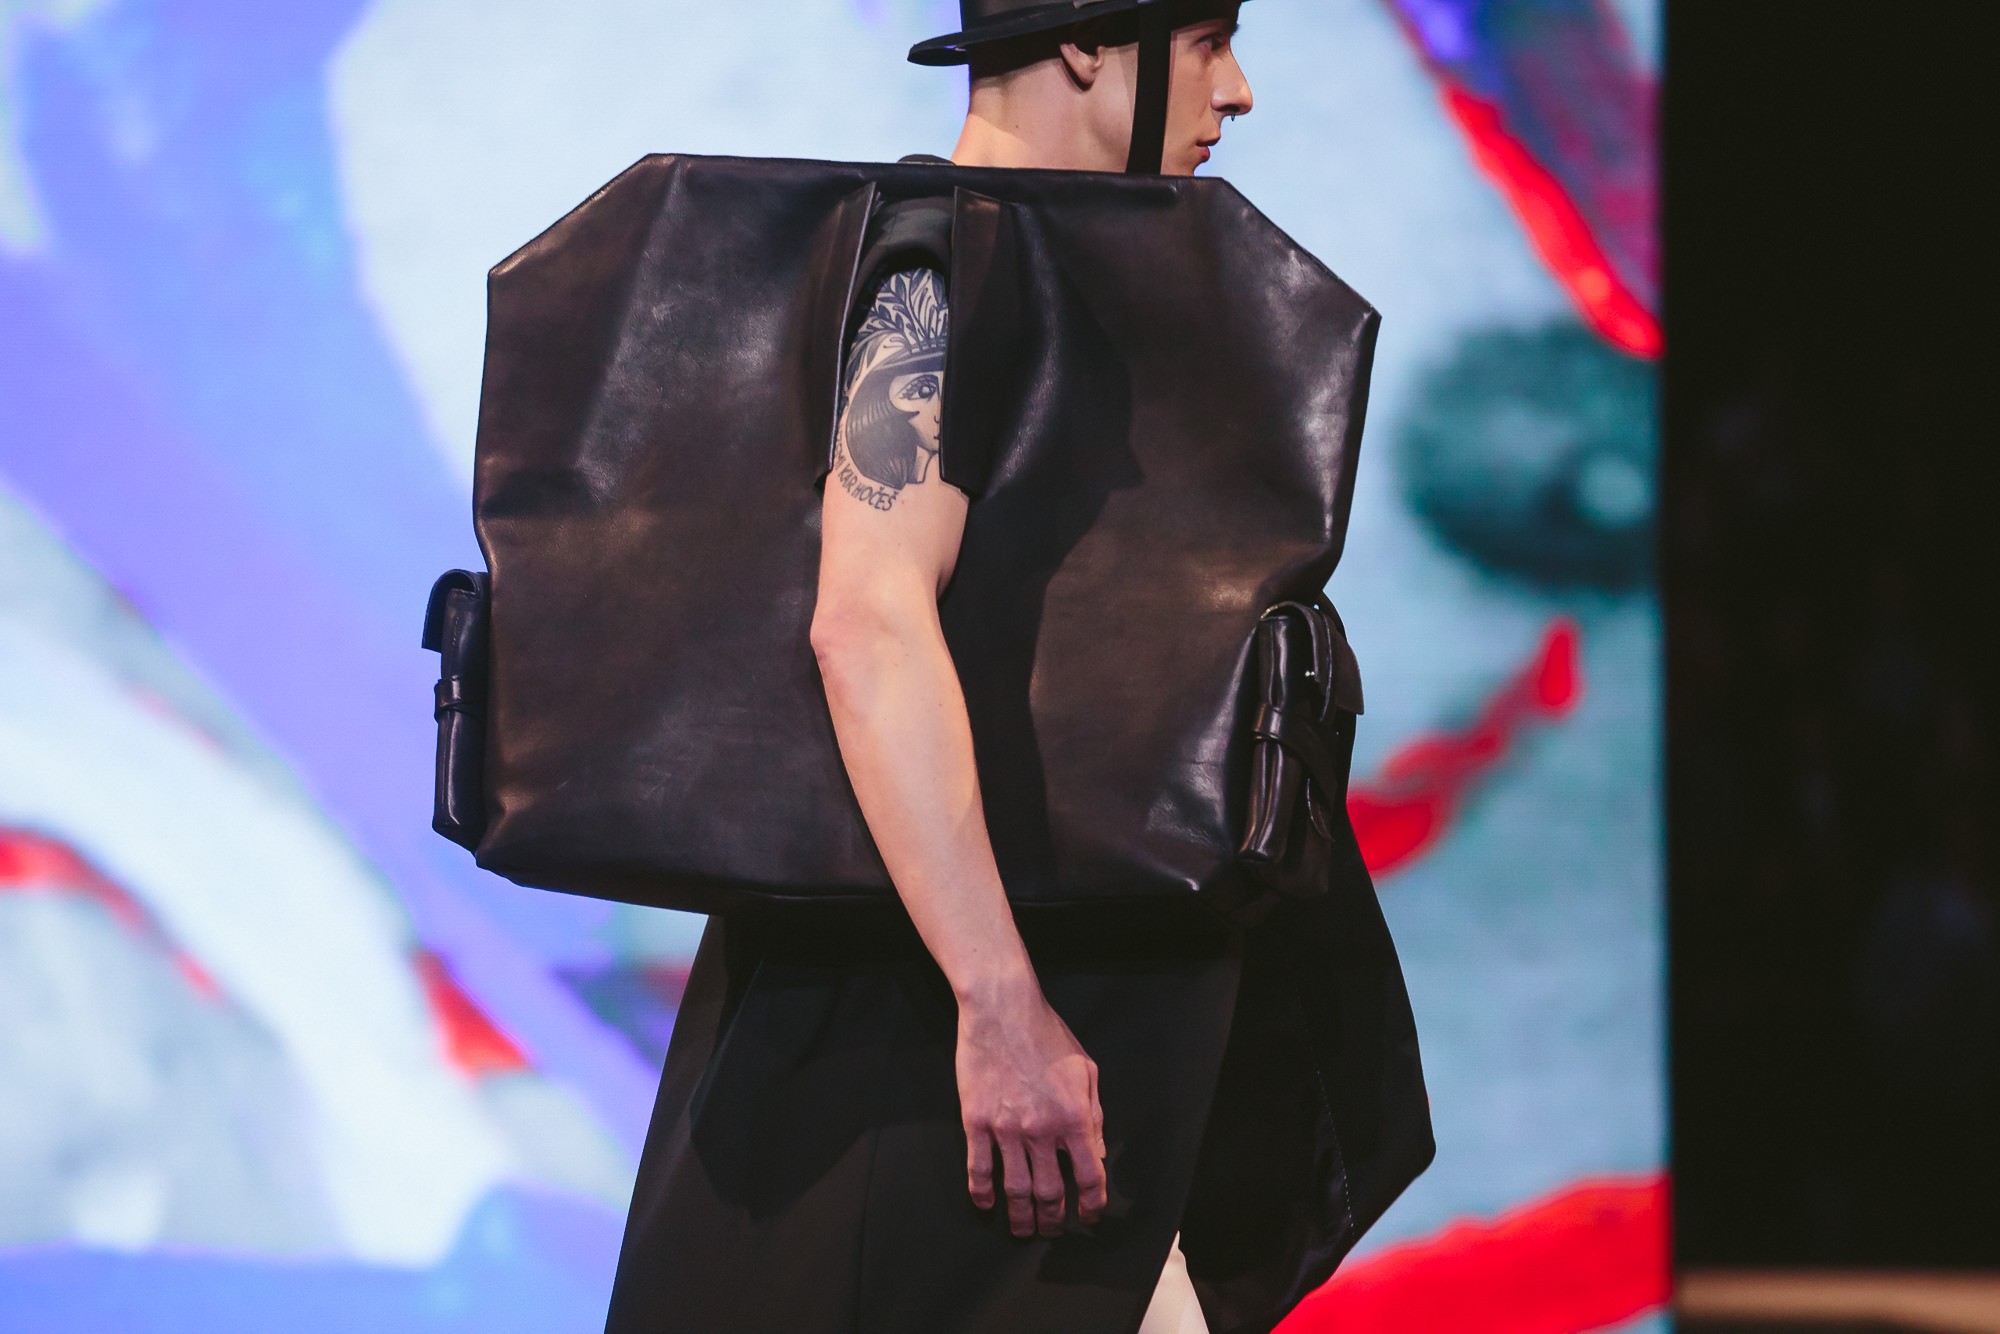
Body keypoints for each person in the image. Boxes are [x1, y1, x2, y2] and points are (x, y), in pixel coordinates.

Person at [602, 4, 1431, 1332]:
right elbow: (867, 624)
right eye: (1206, 40)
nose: (1238, 89)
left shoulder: (1038, 262)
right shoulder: (947, 264)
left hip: (1026, 1021)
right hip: (937, 1030)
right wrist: (999, 1006)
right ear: (1091, 45)